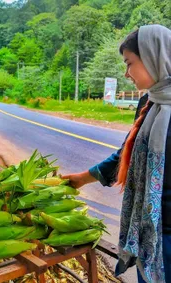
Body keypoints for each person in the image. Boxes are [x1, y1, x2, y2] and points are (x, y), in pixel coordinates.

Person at [62, 24, 171, 283]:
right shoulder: (148, 103)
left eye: (129, 63)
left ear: (154, 57)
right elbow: (126, 155)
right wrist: (81, 178)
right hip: (148, 232)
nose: (126, 73)